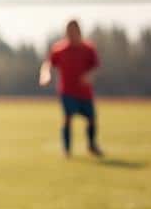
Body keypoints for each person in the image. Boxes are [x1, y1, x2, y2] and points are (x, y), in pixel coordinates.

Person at [39, 20, 103, 158]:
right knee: (67, 118)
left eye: (74, 31)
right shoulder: (60, 49)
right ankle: (67, 150)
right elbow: (48, 63)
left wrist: (89, 75)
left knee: (91, 119)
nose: (72, 34)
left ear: (79, 31)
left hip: (85, 92)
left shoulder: (88, 48)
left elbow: (95, 67)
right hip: (67, 92)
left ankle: (92, 145)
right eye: (69, 31)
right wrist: (45, 74)